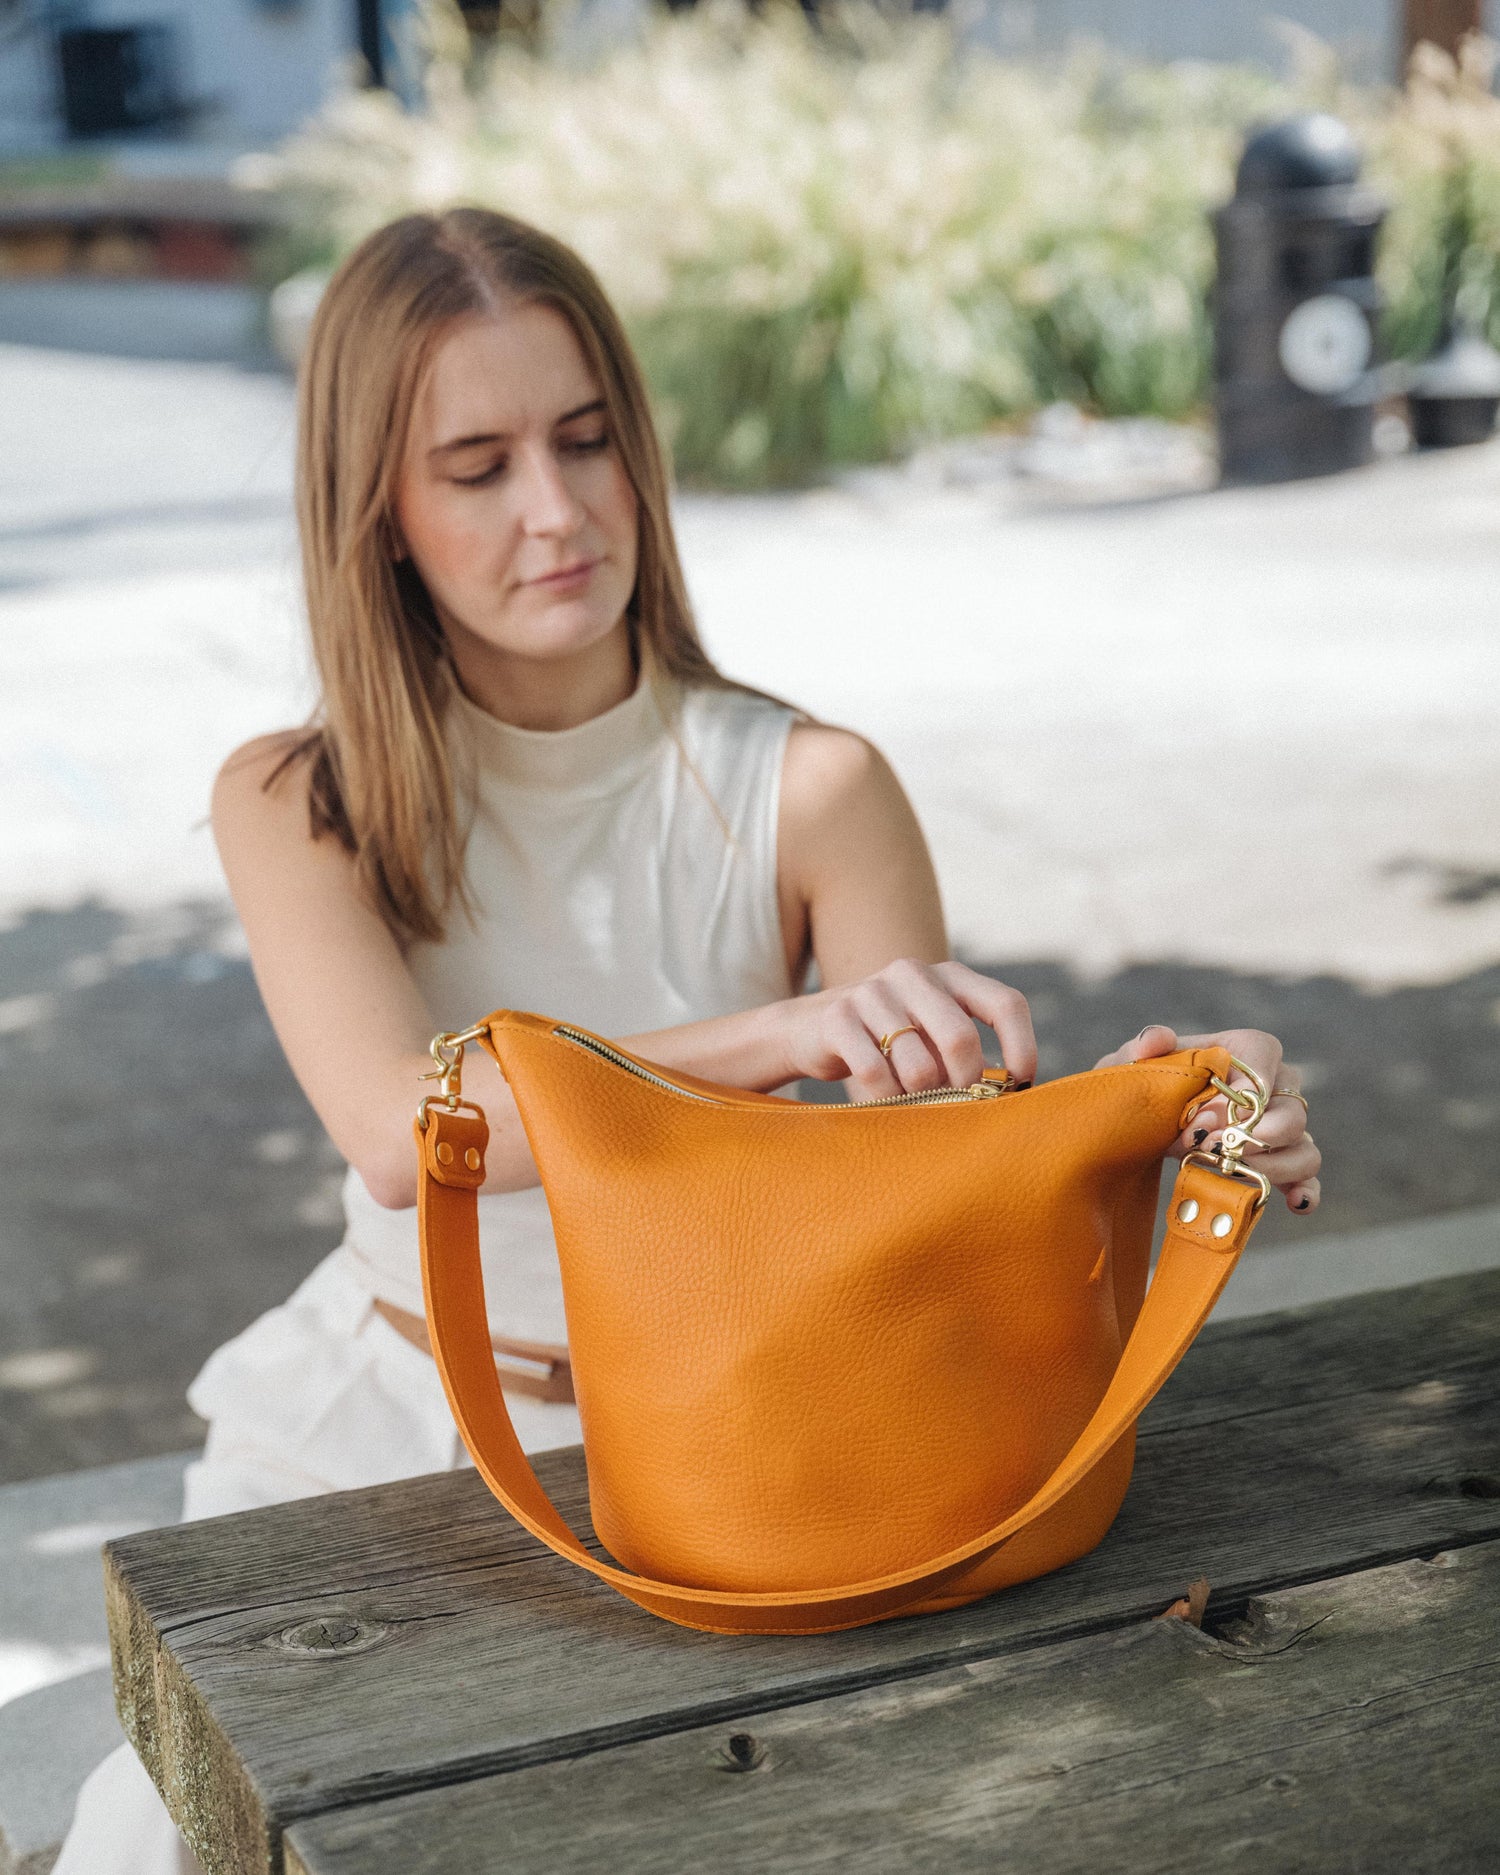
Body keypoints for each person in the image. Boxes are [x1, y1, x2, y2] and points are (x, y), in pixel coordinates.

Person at [55, 207, 1321, 1872]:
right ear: (380, 510)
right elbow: (402, 1125)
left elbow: (914, 1184)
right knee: (163, 1836)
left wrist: (1146, 1112)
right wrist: (782, 1030)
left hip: (762, 1458)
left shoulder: (812, 789)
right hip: (383, 1413)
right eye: (480, 464)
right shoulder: (302, 798)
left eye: (587, 442)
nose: (559, 511)